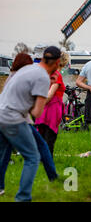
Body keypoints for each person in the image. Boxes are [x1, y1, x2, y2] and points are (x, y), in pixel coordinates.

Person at [0, 46, 59, 201]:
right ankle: (23, 197)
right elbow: (36, 113)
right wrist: (43, 91)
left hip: (1, 114)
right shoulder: (42, 78)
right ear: (57, 63)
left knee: (3, 153)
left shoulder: (28, 69)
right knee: (33, 157)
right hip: (13, 118)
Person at [34, 51, 69, 156]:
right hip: (52, 109)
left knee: (42, 136)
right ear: (64, 62)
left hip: (43, 109)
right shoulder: (57, 75)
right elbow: (50, 94)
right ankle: (48, 161)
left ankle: (40, 159)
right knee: (50, 138)